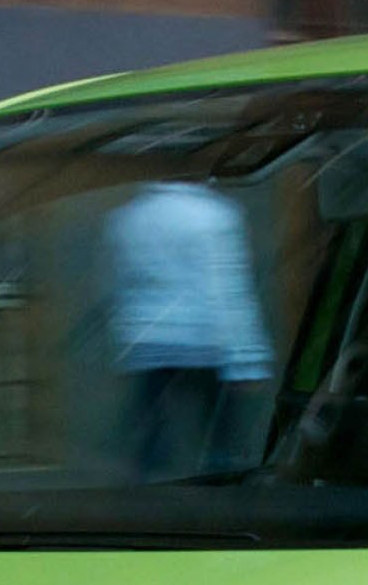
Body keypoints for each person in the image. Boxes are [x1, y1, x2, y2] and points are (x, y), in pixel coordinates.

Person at [98, 178, 275, 480]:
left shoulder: (127, 218)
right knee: (220, 443)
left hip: (149, 343)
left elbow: (119, 291)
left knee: (150, 445)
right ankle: (221, 491)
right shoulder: (216, 214)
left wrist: (123, 351)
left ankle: (147, 496)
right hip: (205, 341)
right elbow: (227, 288)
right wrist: (246, 360)